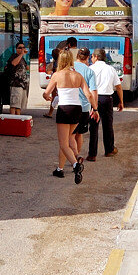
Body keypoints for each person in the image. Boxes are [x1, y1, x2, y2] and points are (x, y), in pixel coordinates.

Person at [42, 50, 94, 183]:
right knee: (69, 138)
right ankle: (69, 161)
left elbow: (47, 93)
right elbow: (88, 94)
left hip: (64, 108)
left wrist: (47, 98)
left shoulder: (57, 75)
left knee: (63, 143)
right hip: (77, 109)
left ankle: (76, 165)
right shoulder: (78, 75)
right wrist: (95, 108)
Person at [89, 48, 123, 157]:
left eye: (92, 56)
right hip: (107, 99)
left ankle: (92, 154)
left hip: (94, 99)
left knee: (93, 126)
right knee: (107, 125)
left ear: (96, 57)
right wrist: (121, 101)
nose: (91, 58)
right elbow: (118, 86)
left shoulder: (90, 69)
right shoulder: (110, 69)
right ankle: (109, 149)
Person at [72, 48, 100, 162]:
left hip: (69, 104)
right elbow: (93, 92)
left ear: (77, 55)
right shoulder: (89, 72)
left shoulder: (70, 67)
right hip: (83, 107)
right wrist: (95, 108)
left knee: (69, 135)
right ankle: (76, 156)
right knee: (79, 134)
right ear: (88, 57)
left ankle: (71, 157)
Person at [6, 41, 30, 116]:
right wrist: (21, 54)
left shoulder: (22, 58)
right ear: (16, 49)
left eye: (23, 47)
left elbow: (27, 68)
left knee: (19, 106)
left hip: (23, 84)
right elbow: (13, 63)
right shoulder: (14, 56)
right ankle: (12, 119)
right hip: (15, 84)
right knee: (14, 104)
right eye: (20, 48)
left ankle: (18, 119)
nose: (22, 49)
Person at [44, 45, 62, 118]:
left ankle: (50, 112)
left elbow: (48, 70)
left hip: (55, 81)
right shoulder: (60, 62)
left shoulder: (54, 62)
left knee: (54, 96)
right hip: (60, 80)